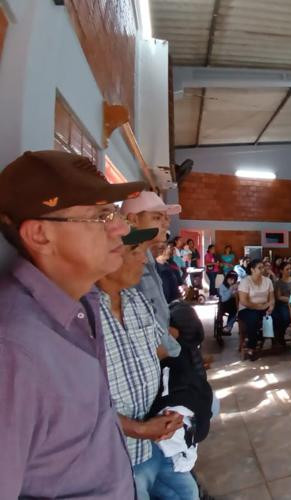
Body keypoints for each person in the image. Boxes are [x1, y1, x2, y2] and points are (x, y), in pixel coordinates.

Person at [0, 150, 143, 498]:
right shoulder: (13, 351)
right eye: (100, 216)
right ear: (39, 236)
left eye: (114, 213)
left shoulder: (83, 304)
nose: (122, 229)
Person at [97, 227, 200, 499]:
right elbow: (77, 407)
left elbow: (160, 355)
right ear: (107, 257)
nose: (144, 260)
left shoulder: (136, 299)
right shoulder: (83, 314)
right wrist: (139, 429)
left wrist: (173, 404)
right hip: (118, 453)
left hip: (158, 438)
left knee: (187, 493)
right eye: (137, 252)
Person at [121, 191, 183, 359]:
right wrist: (161, 350)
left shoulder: (148, 258)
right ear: (133, 220)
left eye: (165, 218)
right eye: (157, 218)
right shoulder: (122, 262)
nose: (166, 224)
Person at [237, 260, 274, 360]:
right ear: (252, 270)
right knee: (253, 318)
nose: (262, 270)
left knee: (278, 315)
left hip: (264, 307)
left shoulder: (268, 281)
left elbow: (272, 298)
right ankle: (252, 346)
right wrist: (259, 307)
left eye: (263, 267)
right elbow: (244, 301)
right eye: (259, 268)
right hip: (247, 309)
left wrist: (271, 306)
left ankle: (269, 340)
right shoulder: (245, 281)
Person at [215, 271, 239, 336]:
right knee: (234, 309)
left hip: (234, 306)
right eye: (230, 279)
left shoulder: (236, 286)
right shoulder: (222, 286)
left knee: (236, 311)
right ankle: (227, 327)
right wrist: (230, 290)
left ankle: (228, 327)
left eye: (234, 279)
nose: (232, 281)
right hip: (224, 305)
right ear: (226, 278)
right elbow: (223, 299)